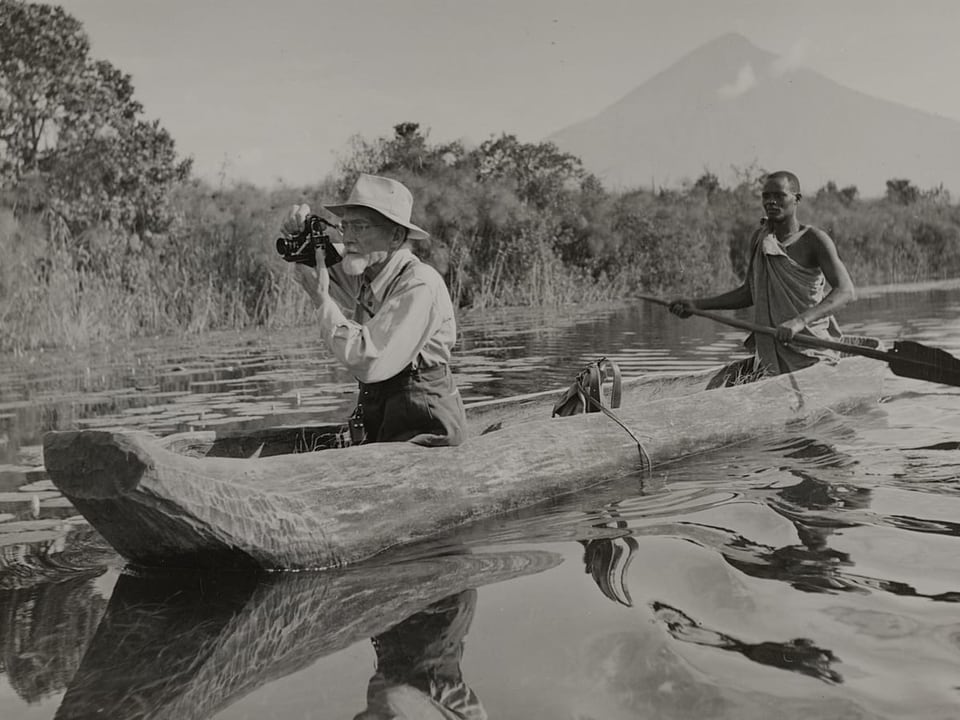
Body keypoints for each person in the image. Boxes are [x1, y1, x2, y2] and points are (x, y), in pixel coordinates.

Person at [280, 173, 467, 446]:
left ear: (395, 236)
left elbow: (369, 362)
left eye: (360, 227)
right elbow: (312, 263)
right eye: (345, 227)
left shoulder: (418, 284)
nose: (349, 238)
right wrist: (299, 232)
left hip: (427, 424)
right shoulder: (366, 268)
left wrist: (322, 301)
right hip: (383, 415)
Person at [670, 170, 856, 385]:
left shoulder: (814, 240)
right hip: (772, 355)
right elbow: (749, 292)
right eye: (766, 196)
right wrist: (697, 305)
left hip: (811, 352)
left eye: (779, 195)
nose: (771, 202)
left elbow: (846, 291)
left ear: (796, 199)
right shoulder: (760, 238)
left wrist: (798, 322)